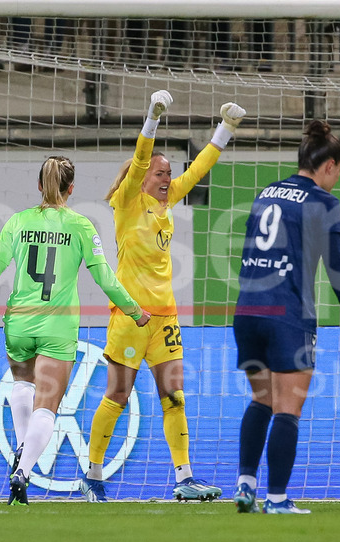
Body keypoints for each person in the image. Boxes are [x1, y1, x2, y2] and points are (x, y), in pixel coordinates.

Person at [0, 156, 150, 506]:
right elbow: (105, 277)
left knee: (21, 386)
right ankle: (24, 470)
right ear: (71, 189)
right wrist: (135, 311)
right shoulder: (80, 226)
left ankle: (21, 448)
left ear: (38, 186)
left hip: (18, 322)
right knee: (47, 406)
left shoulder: (17, 222)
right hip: (56, 325)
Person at [79, 90, 246, 503]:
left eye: (169, 172)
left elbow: (199, 169)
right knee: (117, 395)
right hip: (130, 317)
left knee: (174, 396)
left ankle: (185, 478)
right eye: (160, 172)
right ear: (142, 178)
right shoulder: (127, 203)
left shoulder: (166, 202)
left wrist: (225, 128)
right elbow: (139, 160)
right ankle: (92, 475)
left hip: (165, 318)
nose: (167, 177)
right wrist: (152, 120)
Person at [232, 120, 340, 515]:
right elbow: (337, 268)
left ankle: (245, 485)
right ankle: (276, 500)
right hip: (288, 314)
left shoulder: (267, 192)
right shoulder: (323, 203)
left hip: (248, 311)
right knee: (287, 408)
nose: (338, 177)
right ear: (328, 166)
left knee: (261, 398)